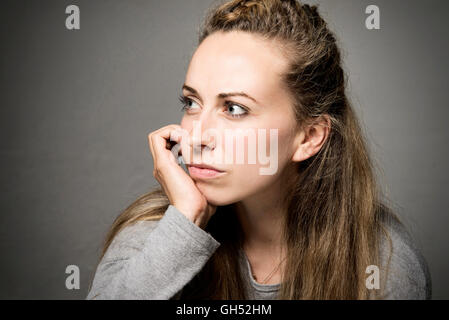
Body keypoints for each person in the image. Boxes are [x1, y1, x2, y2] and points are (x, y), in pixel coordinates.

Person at [86, 0, 431, 300]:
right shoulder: (156, 234)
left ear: (309, 136)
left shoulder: (382, 263)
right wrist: (184, 224)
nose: (196, 137)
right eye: (191, 103)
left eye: (234, 108)